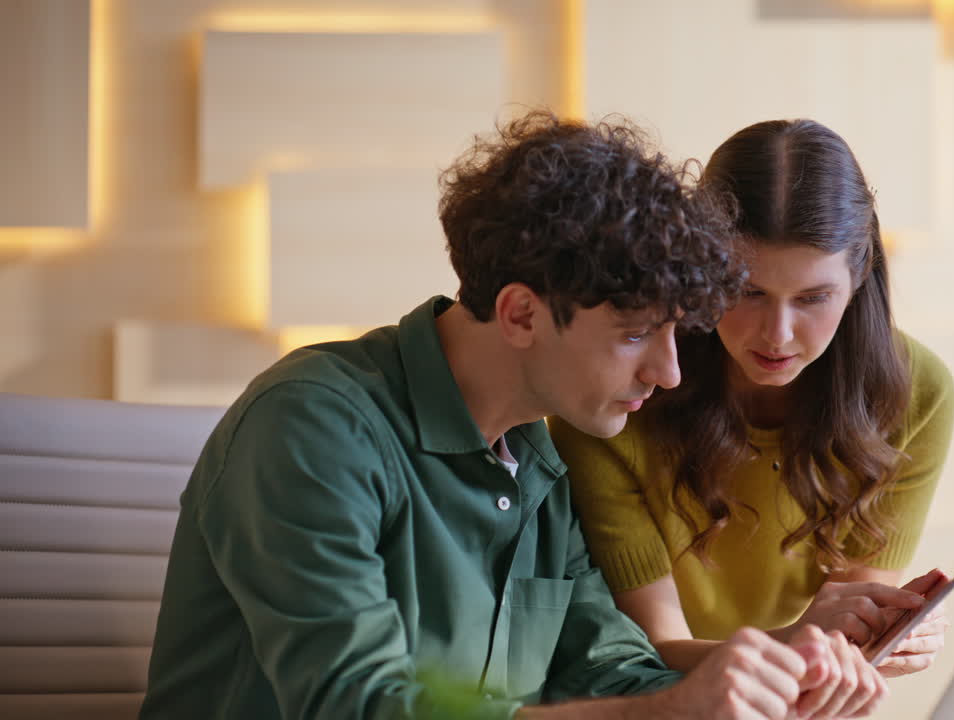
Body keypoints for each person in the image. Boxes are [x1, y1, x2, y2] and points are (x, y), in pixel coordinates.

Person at [139, 111, 888, 720]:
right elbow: (358, 706)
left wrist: (765, 687)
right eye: (636, 333)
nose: (669, 371)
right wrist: (666, 714)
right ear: (522, 313)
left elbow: (605, 668)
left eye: (673, 332)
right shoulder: (311, 426)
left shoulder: (534, 459)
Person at [549, 118, 954, 678]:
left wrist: (884, 634)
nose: (778, 334)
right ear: (701, 267)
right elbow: (648, 656)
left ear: (860, 273)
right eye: (746, 291)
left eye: (814, 298)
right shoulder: (620, 394)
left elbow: (839, 648)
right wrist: (796, 643)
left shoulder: (919, 394)